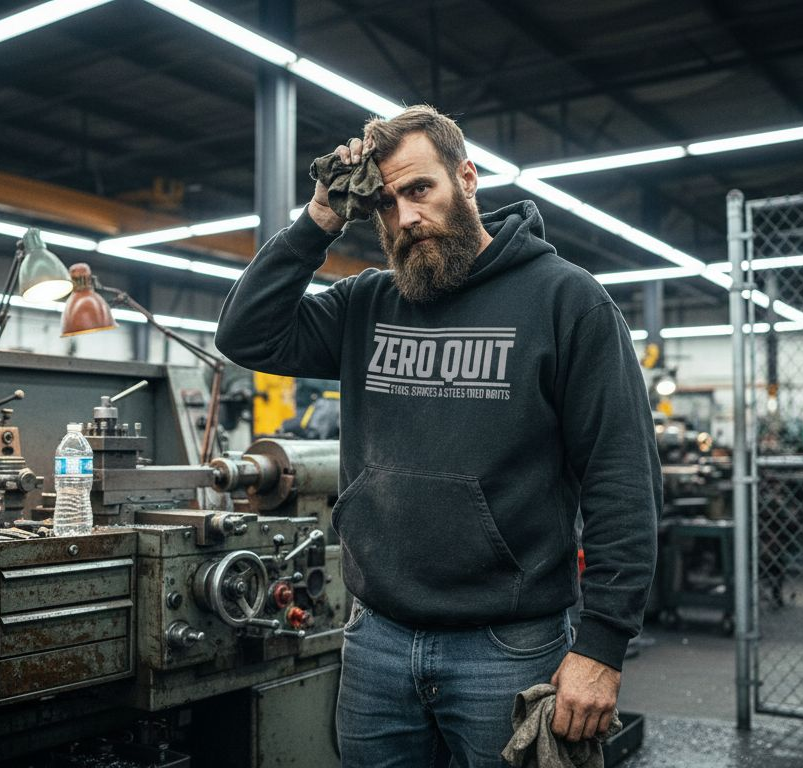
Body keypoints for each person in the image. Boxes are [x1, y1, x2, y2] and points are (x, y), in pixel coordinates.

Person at [216, 105, 660, 767]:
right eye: (385, 204)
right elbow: (246, 333)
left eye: (419, 190)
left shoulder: (566, 300)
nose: (405, 217)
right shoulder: (366, 302)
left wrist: (601, 646)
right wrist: (321, 219)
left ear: (467, 177)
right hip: (377, 641)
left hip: (510, 647)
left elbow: (620, 483)